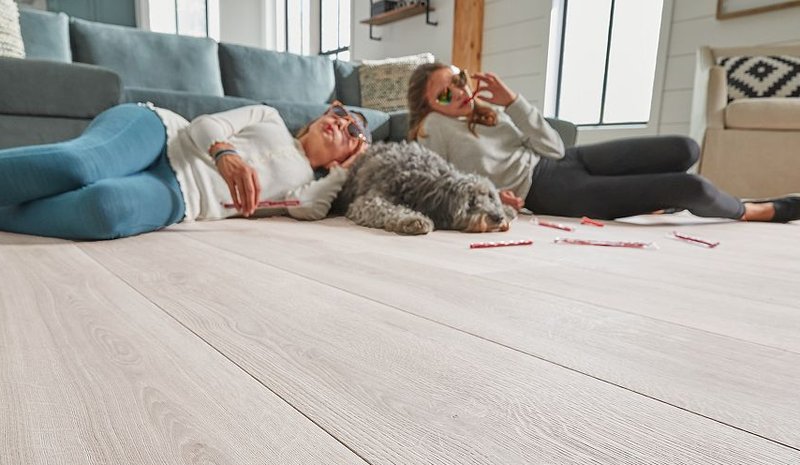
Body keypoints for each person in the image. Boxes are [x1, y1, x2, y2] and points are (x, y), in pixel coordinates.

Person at [407, 63, 800, 223]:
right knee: (692, 186)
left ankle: (654, 200)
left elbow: (554, 148)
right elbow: (440, 186)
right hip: (547, 191)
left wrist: (513, 101)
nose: (459, 93)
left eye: (458, 79)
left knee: (685, 149)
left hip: (566, 161)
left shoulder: (486, 111)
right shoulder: (431, 128)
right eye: (444, 94)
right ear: (427, 106)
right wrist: (494, 197)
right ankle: (754, 210)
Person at [0, 100, 370, 240]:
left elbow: (310, 209)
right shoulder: (269, 117)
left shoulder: (304, 185)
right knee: (81, 164)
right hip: (162, 134)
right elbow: (203, 125)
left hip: (182, 198)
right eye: (338, 113)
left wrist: (345, 170)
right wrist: (225, 153)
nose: (340, 123)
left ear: (345, 156)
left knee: (106, 209)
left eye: (352, 131)